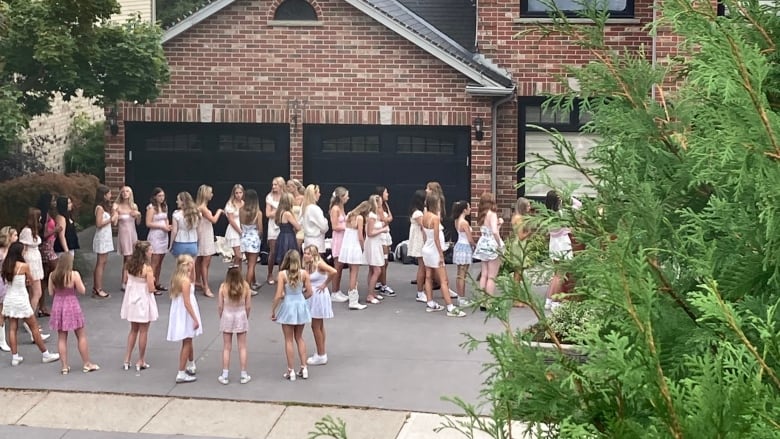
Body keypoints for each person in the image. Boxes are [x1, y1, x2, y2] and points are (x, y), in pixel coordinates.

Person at [1, 242, 60, 366]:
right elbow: (31, 280)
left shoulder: (6, 266)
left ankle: (15, 356)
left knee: (12, 328)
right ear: (19, 252)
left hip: (10, 299)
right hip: (21, 299)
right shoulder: (24, 266)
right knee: (34, 327)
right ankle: (45, 354)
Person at [48, 254, 100, 374]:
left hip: (58, 305)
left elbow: (51, 292)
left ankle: (64, 366)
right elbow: (82, 290)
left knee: (61, 337)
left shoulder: (53, 275)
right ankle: (87, 363)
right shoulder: (74, 274)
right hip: (71, 304)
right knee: (81, 335)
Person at [420, 193, 465, 317]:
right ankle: (450, 307)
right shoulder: (435, 218)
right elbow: (436, 239)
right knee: (443, 280)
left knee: (428, 276)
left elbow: (424, 234)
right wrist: (441, 254)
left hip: (426, 249)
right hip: (434, 250)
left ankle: (430, 302)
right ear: (435, 204)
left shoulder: (424, 216)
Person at [271, 250, 313, 381]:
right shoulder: (304, 274)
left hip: (288, 305)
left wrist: (273, 310)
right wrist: (301, 298)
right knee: (299, 337)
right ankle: (304, 367)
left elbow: (278, 295)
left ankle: (291, 370)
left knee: (288, 339)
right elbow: (310, 292)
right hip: (300, 304)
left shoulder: (282, 274)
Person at [120, 241, 158, 372]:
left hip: (131, 300)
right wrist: (152, 282)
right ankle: (141, 360)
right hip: (143, 300)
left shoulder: (129, 265)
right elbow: (151, 288)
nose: (152, 252)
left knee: (133, 330)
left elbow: (126, 280)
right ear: (145, 253)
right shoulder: (147, 269)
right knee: (143, 331)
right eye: (150, 250)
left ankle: (127, 359)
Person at [166, 255, 202, 384]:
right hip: (186, 312)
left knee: (188, 338)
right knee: (187, 340)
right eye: (191, 264)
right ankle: (181, 372)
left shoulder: (178, 278)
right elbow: (187, 302)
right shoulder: (185, 282)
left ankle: (191, 364)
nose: (193, 266)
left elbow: (194, 278)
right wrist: (195, 318)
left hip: (180, 311)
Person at [217, 265, 252, 385]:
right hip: (240, 315)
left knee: (227, 347)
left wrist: (221, 316)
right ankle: (243, 374)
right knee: (242, 346)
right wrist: (246, 316)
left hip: (227, 315)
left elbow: (220, 306)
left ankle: (225, 374)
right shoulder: (246, 286)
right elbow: (248, 306)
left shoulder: (223, 287)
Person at [303, 245, 335, 366]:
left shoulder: (319, 264)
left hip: (319, 295)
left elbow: (333, 271)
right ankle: (321, 352)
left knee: (315, 326)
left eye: (308, 253)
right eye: (305, 253)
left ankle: (321, 355)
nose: (306, 255)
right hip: (314, 296)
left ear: (314, 255)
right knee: (319, 325)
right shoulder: (307, 264)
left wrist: (325, 284)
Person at [337, 201, 371, 310]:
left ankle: (352, 296)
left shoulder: (350, 214)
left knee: (352, 272)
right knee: (354, 274)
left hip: (347, 246)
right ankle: (353, 300)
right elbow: (360, 236)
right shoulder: (360, 218)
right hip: (355, 246)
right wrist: (362, 247)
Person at [473, 192, 504, 301]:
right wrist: (500, 244)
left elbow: (488, 229)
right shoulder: (492, 214)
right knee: (492, 276)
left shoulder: (482, 214)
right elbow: (495, 232)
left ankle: (482, 301)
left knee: (484, 274)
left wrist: (498, 224)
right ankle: (490, 302)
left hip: (483, 243)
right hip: (492, 244)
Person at [544, 190, 572, 310]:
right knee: (561, 275)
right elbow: (578, 205)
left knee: (556, 274)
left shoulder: (547, 214)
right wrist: (569, 198)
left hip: (554, 244)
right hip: (563, 245)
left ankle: (549, 299)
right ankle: (556, 301)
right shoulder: (560, 214)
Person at [195, 185, 223, 298]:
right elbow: (214, 220)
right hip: (205, 236)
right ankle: (206, 286)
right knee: (206, 261)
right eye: (210, 193)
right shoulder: (203, 208)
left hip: (203, 234)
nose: (212, 195)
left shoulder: (200, 207)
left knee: (200, 259)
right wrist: (219, 212)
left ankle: (197, 280)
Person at [19, 208, 46, 319]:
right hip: (31, 262)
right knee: (37, 292)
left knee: (32, 293)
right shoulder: (27, 232)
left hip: (35, 259)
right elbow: (23, 249)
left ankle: (30, 317)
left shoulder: (32, 230)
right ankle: (29, 319)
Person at [364, 195, 389, 304]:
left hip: (375, 243)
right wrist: (382, 230)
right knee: (377, 269)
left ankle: (372, 292)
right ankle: (370, 295)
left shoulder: (374, 215)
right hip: (373, 244)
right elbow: (369, 233)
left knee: (372, 269)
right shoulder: (372, 216)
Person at [114, 187, 140, 290]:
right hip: (124, 234)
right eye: (123, 191)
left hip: (133, 233)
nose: (125, 193)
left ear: (130, 193)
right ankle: (125, 282)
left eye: (127, 191)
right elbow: (114, 223)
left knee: (132, 257)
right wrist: (116, 215)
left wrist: (137, 215)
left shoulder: (133, 206)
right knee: (128, 258)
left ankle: (130, 279)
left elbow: (137, 222)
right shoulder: (117, 206)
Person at [93, 185, 117, 298]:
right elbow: (98, 224)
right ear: (103, 195)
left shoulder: (105, 207)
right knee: (100, 263)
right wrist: (110, 220)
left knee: (103, 262)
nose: (110, 196)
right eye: (108, 194)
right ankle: (98, 288)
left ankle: (97, 287)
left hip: (106, 236)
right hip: (102, 236)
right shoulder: (100, 208)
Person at [37, 193, 59, 314]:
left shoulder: (48, 214)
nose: (54, 202)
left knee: (45, 277)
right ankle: (59, 300)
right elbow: (43, 235)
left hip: (50, 246)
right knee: (57, 271)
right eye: (52, 200)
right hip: (46, 248)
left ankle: (42, 306)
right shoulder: (43, 216)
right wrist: (55, 230)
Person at [146, 188, 170, 294]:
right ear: (155, 196)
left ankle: (157, 281)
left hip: (164, 236)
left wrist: (167, 226)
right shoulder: (151, 208)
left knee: (160, 261)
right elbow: (148, 223)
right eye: (159, 196)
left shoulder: (164, 206)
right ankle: (151, 285)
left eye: (163, 196)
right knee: (154, 262)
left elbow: (166, 218)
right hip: (155, 235)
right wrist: (161, 227)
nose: (162, 198)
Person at [328, 187, 349, 302]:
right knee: (337, 266)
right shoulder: (335, 209)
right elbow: (335, 226)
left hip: (343, 238)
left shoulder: (341, 208)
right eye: (346, 196)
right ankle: (334, 292)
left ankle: (338, 290)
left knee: (340, 267)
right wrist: (347, 227)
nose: (348, 198)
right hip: (338, 239)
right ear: (341, 197)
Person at [239, 189, 263, 295]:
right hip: (253, 238)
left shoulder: (241, 210)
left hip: (244, 237)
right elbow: (260, 228)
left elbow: (240, 224)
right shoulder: (258, 213)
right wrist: (260, 236)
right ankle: (247, 288)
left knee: (248, 263)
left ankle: (251, 284)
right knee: (252, 265)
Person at [451, 200, 474, 307]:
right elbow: (470, 239)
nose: (470, 209)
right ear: (464, 210)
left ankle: (460, 297)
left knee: (459, 273)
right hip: (465, 247)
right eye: (469, 208)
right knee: (463, 274)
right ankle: (462, 298)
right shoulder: (465, 223)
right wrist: (474, 245)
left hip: (459, 245)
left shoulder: (457, 221)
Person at [373, 186, 395, 296]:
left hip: (386, 234)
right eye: (386, 192)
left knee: (386, 262)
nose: (388, 194)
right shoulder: (378, 207)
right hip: (381, 235)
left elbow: (390, 217)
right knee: (383, 261)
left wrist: (388, 219)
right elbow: (385, 220)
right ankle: (383, 285)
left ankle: (379, 282)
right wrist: (387, 220)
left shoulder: (385, 205)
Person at [0, 226, 19, 352]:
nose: (17, 238)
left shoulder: (11, 251)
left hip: (8, 281)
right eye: (15, 235)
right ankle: (2, 340)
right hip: (1, 281)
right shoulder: (2, 252)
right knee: (2, 311)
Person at [408, 190, 427, 303]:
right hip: (420, 240)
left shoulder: (418, 211)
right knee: (422, 266)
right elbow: (424, 226)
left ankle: (423, 290)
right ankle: (420, 292)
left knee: (424, 266)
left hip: (420, 239)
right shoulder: (418, 213)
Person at [169, 192, 200, 263]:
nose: (177, 202)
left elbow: (174, 231)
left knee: (180, 268)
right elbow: (199, 230)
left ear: (183, 202)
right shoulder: (197, 213)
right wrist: (198, 243)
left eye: (178, 200)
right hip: (193, 243)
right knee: (191, 268)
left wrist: (171, 245)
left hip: (180, 243)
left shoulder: (176, 214)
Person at [265, 177, 285, 284]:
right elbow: (268, 214)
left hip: (283, 225)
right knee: (273, 251)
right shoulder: (269, 197)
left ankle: (281, 273)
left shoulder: (285, 197)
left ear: (281, 185)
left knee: (282, 251)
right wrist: (278, 211)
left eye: (275, 184)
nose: (273, 187)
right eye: (273, 185)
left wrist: (275, 211)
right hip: (273, 226)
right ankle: (269, 273)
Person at [274, 192, 301, 265]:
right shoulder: (287, 214)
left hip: (281, 236)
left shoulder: (280, 212)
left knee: (282, 259)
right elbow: (298, 227)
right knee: (289, 258)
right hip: (289, 237)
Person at [301, 185, 329, 254]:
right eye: (318, 192)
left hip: (307, 241)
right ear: (314, 194)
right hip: (317, 243)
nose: (320, 194)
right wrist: (325, 220)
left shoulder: (304, 207)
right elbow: (324, 227)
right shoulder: (315, 209)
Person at [224, 184, 245, 266]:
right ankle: (232, 274)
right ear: (234, 194)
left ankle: (238, 276)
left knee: (241, 257)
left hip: (243, 228)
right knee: (238, 256)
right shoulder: (230, 204)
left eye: (240, 192)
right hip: (234, 230)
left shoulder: (243, 203)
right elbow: (231, 220)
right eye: (236, 193)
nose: (239, 195)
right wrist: (239, 231)